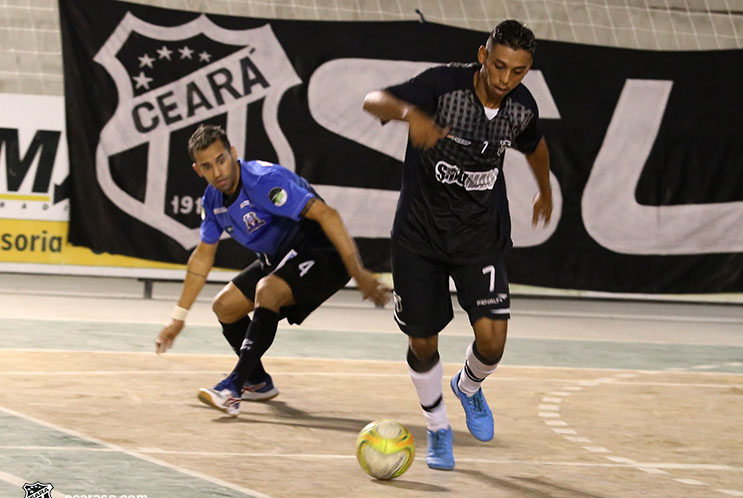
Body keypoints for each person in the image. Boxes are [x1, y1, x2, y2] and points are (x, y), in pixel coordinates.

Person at [362, 19, 552, 470]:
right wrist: (413, 115)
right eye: (500, 65)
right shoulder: (443, 86)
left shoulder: (520, 107)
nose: (505, 79)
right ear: (483, 54)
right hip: (419, 236)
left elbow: (536, 146)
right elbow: (373, 100)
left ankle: (467, 387)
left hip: (480, 236)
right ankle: (438, 428)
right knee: (423, 341)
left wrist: (545, 189)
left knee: (493, 343)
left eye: (518, 71)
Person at [155, 124, 390, 417]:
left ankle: (233, 388)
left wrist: (359, 273)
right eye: (207, 166)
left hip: (321, 250)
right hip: (278, 257)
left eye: (221, 160)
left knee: (267, 290)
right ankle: (257, 381)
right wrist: (178, 319)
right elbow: (202, 258)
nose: (217, 172)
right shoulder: (213, 201)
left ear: (233, 154)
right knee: (225, 307)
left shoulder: (264, 181)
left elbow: (327, 214)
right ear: (197, 170)